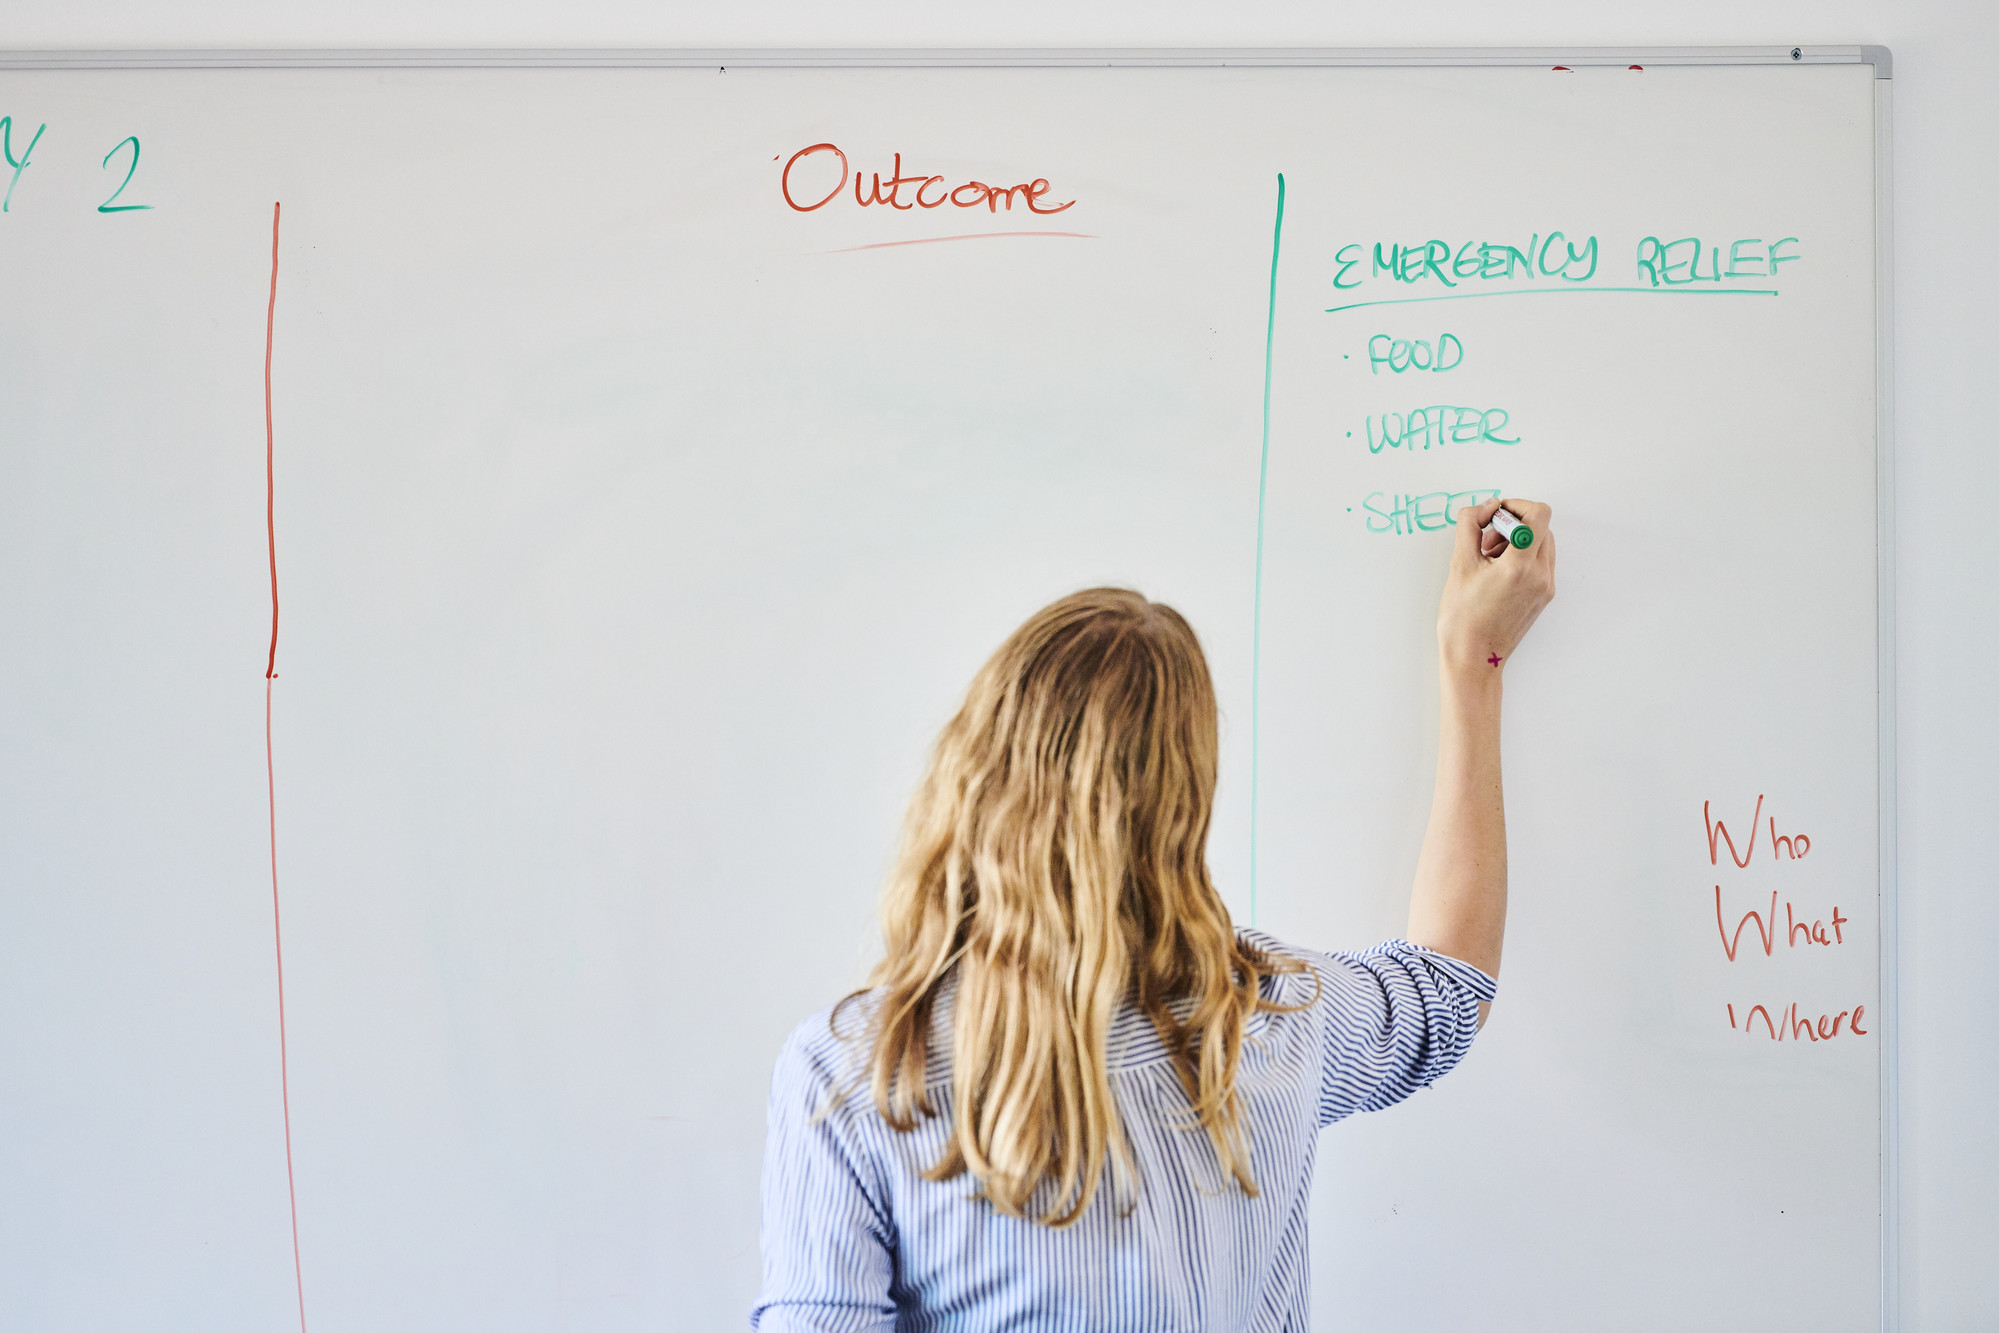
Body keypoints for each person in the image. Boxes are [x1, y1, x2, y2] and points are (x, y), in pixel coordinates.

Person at [753, 498, 1557, 1331]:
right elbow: (1449, 985)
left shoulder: (857, 1074)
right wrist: (1475, 660)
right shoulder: (1270, 1015)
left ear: (974, 763)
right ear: (1186, 802)